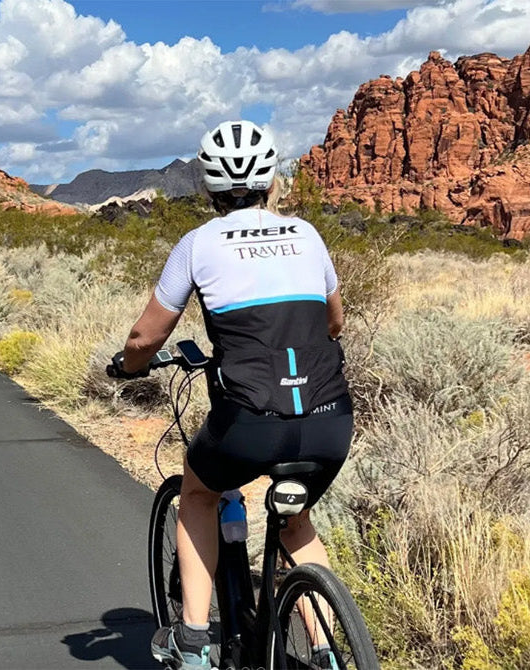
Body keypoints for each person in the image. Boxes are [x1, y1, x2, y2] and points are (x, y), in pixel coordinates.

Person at [112, 120, 353, 670]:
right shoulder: (308, 235)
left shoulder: (197, 244)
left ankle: (193, 641)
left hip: (249, 422)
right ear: (271, 181)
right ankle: (326, 652)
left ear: (209, 187)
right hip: (329, 418)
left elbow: (146, 337)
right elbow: (335, 323)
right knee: (297, 517)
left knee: (198, 491)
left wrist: (128, 367)